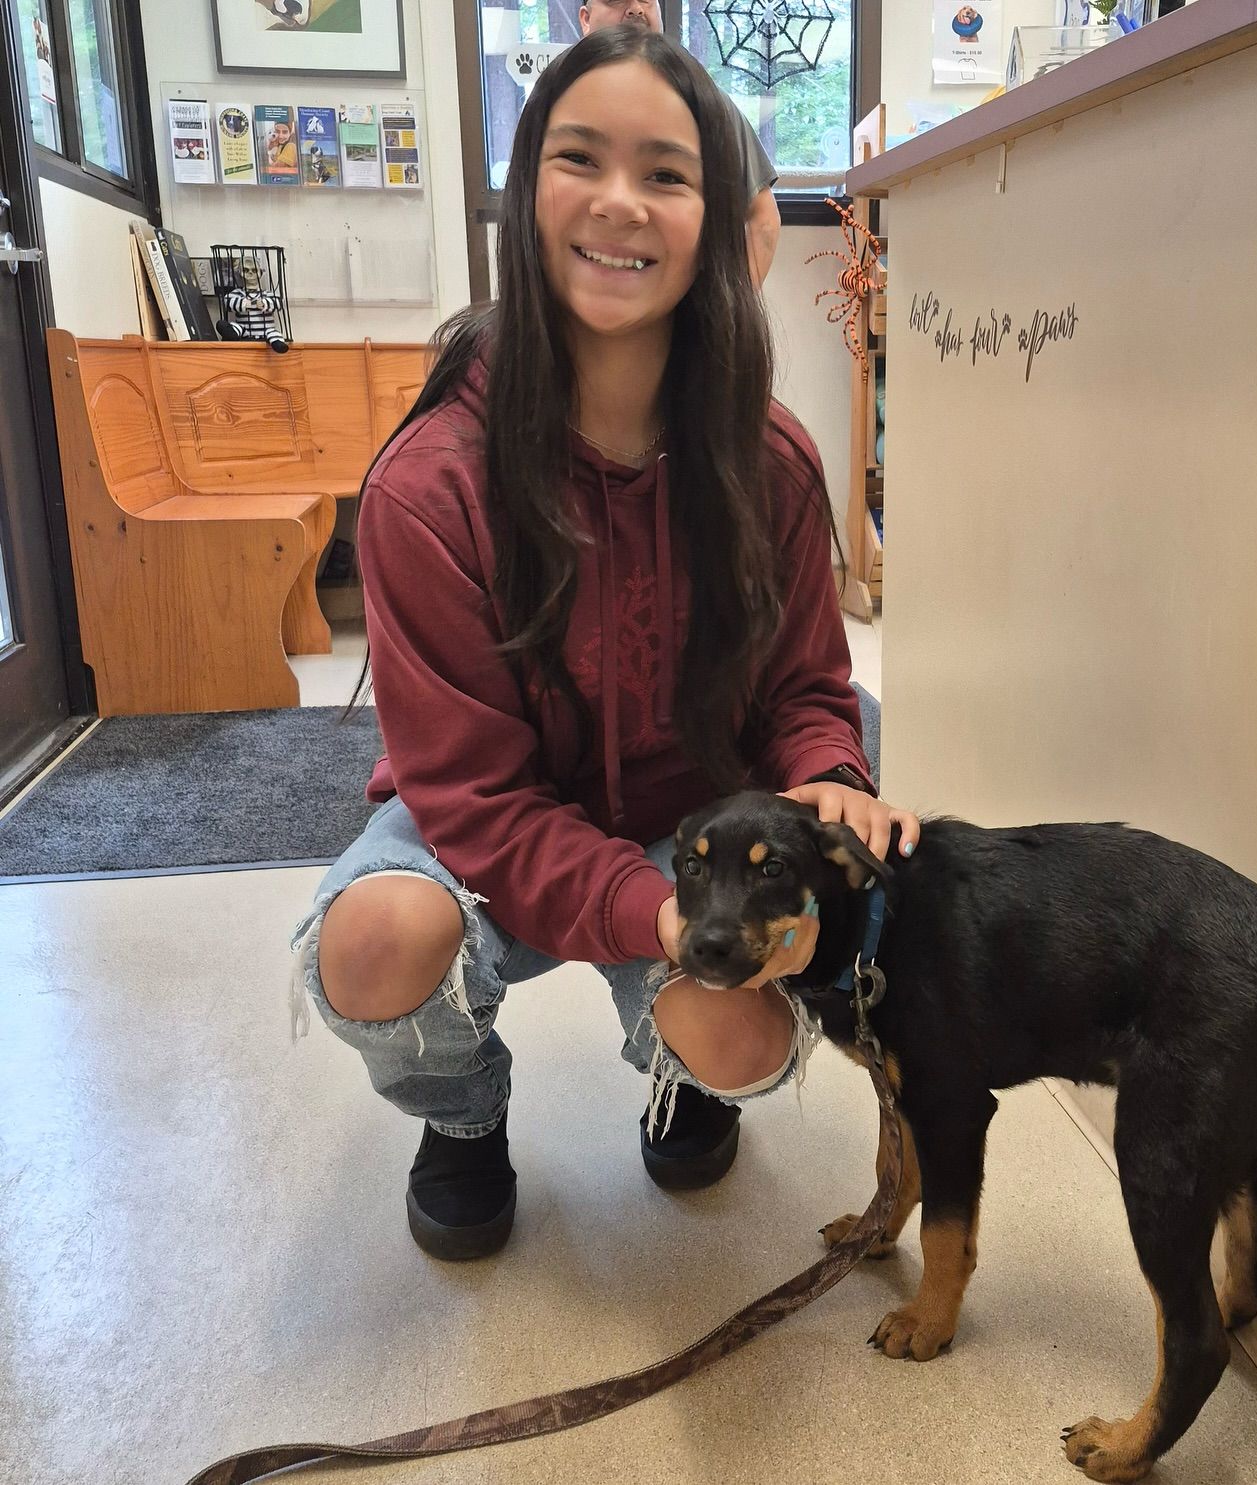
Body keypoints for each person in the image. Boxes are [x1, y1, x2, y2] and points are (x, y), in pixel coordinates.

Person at [291, 26, 919, 1262]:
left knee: (737, 1042)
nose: (621, 203)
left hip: (696, 821)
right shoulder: (429, 487)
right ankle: (462, 1117)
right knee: (376, 943)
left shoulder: (774, 459)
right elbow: (474, 799)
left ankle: (679, 1076)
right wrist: (650, 914)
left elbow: (806, 684)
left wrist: (826, 778)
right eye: (580, 158)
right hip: (492, 823)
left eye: (667, 173)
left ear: (726, 227)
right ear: (528, 198)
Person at [578, 0, 781, 285]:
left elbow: (763, 221)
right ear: (585, 19)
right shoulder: (557, 100)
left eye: (666, 176)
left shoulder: (707, 104)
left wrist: (730, 316)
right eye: (579, 159)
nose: (636, 8)